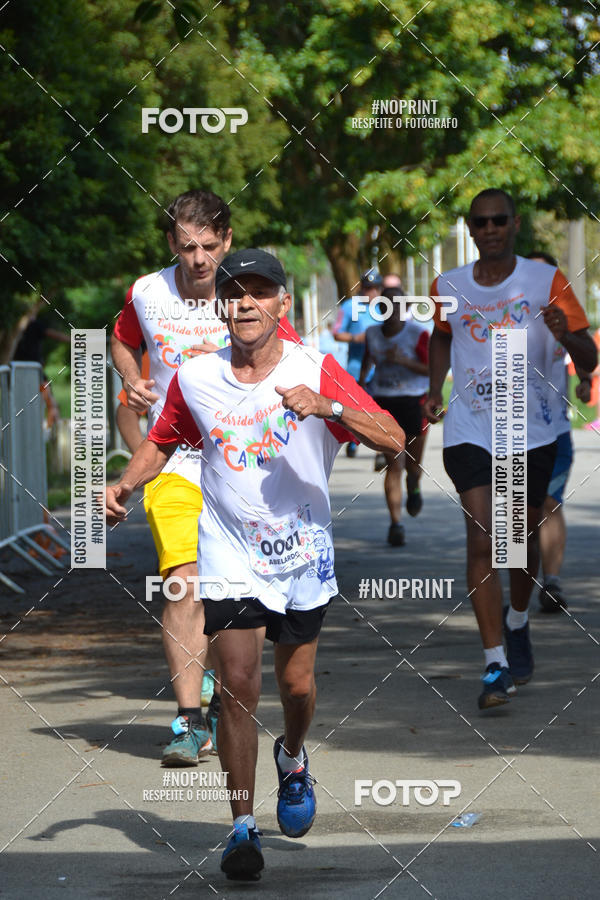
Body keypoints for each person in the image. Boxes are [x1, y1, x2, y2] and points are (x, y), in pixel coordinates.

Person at [106, 249, 404, 880]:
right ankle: (242, 828)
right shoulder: (196, 377)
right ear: (222, 307)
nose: (246, 303)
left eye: (260, 292)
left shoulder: (313, 368)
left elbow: (394, 436)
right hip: (228, 550)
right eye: (235, 293)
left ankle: (292, 756)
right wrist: (125, 486)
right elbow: (163, 439)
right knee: (237, 682)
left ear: (282, 304)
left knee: (296, 686)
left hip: (301, 555)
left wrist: (327, 408)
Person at [110, 190, 299, 765]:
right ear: (171, 242)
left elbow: (289, 357)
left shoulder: (247, 293)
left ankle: (223, 690)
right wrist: (131, 379)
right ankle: (188, 721)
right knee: (183, 580)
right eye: (188, 246)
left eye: (210, 246)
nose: (199, 259)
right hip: (171, 458)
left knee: (235, 588)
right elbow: (121, 339)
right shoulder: (146, 292)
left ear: (227, 240)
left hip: (239, 460)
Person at [425, 188, 597, 710]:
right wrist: (434, 388)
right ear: (470, 229)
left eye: (499, 220)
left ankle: (517, 620)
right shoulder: (448, 285)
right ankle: (495, 662)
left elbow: (589, 358)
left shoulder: (546, 280)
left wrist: (565, 334)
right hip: (471, 428)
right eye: (481, 222)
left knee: (516, 544)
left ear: (515, 224)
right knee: (483, 538)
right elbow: (441, 335)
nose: (490, 229)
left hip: (529, 430)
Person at [526, 252, 591, 613]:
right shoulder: (506, 313)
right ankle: (518, 597)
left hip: (555, 431)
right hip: (508, 431)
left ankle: (551, 582)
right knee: (519, 514)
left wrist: (585, 379)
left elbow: (582, 348)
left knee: (550, 503)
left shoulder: (558, 315)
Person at [359, 286, 430, 546]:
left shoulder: (417, 334)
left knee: (413, 466)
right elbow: (367, 360)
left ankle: (414, 485)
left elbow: (431, 369)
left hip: (414, 401)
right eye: (386, 305)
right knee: (394, 464)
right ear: (380, 309)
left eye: (398, 305)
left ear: (405, 307)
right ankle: (396, 524)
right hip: (384, 402)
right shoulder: (372, 334)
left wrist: (402, 361)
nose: (392, 311)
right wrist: (361, 385)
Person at [332, 270, 384, 457]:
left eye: (376, 288)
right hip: (357, 368)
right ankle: (353, 440)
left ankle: (381, 450)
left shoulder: (385, 307)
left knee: (381, 409)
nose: (372, 293)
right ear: (361, 288)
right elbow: (337, 333)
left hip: (381, 369)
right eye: (368, 289)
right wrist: (356, 338)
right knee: (357, 408)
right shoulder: (349, 306)